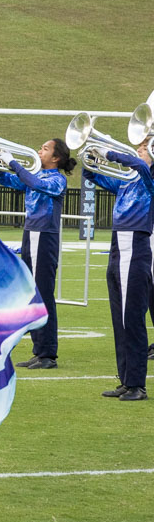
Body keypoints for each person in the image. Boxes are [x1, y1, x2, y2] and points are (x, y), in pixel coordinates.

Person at [0, 138, 76, 369]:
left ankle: (48, 353)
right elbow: (6, 180)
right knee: (32, 293)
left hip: (45, 235)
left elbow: (35, 183)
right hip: (31, 232)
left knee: (43, 294)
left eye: (45, 149)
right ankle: (39, 351)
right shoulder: (34, 174)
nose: (39, 151)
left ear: (56, 158)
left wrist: (14, 163)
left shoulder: (56, 179)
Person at [86, 142, 154, 401]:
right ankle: (126, 380)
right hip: (118, 247)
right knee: (120, 319)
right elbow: (92, 176)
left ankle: (137, 384)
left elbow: (137, 165)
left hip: (135, 248)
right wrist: (92, 159)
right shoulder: (128, 182)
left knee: (132, 320)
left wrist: (111, 154)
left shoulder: (149, 180)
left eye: (144, 149)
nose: (139, 151)